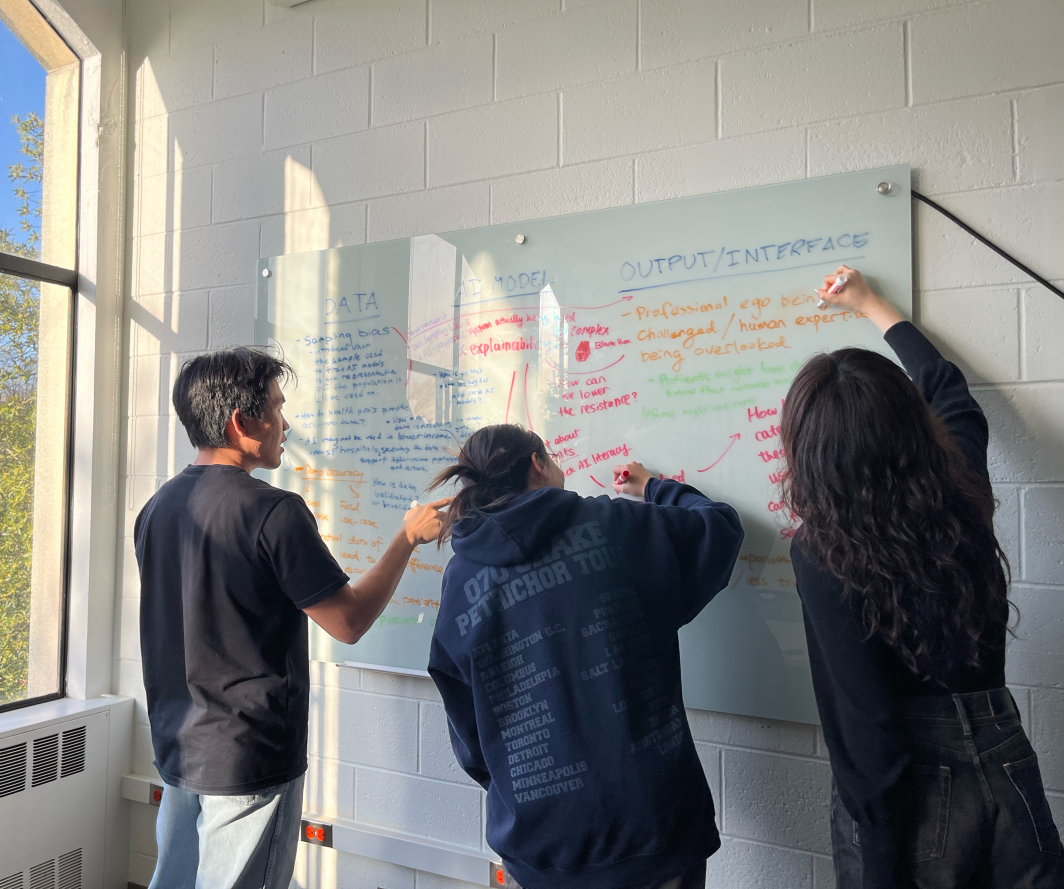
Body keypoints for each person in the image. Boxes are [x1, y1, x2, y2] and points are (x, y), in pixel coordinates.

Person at [782, 268, 1064, 889]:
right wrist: (871, 304)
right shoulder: (962, 484)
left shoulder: (823, 552)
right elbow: (949, 390)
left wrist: (879, 871)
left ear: (810, 453)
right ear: (911, 424)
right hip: (1007, 758)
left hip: (915, 791)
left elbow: (866, 730)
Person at [135, 347, 449, 889]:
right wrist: (406, 539)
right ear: (241, 423)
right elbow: (347, 622)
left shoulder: (159, 507)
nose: (285, 424)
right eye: (277, 409)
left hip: (178, 743)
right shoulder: (271, 511)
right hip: (247, 758)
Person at [426, 424, 744, 889]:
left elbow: (468, 721)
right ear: (537, 464)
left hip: (540, 847)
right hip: (654, 833)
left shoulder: (462, 577)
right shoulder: (617, 526)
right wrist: (653, 487)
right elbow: (719, 527)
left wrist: (519, 784)